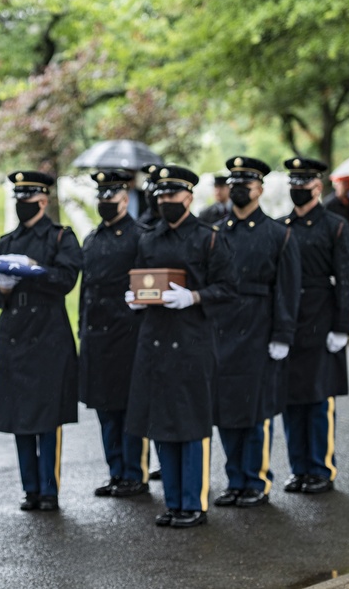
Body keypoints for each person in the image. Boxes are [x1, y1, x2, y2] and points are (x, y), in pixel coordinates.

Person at [124, 164, 235, 528]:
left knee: (190, 426)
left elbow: (229, 289)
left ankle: (194, 503)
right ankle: (173, 502)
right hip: (154, 341)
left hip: (191, 342)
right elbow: (142, 278)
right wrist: (137, 298)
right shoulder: (150, 239)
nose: (165, 201)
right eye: (160, 195)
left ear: (188, 196)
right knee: (161, 425)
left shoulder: (209, 238)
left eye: (171, 194)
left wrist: (195, 296)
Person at [0, 170, 82, 512]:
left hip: (47, 334)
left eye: (28, 198)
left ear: (43, 200)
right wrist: (2, 288)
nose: (21, 205)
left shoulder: (60, 237)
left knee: (47, 418)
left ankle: (49, 490)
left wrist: (33, 269)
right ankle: (30, 489)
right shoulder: (6, 242)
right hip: (13, 333)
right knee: (20, 419)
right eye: (18, 199)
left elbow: (67, 279)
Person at [212, 156, 300, 509]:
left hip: (259, 328)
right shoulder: (217, 233)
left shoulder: (279, 234)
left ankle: (256, 479)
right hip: (222, 330)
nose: (238, 189)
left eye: (245, 183)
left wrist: (283, 334)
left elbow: (288, 289)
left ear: (260, 189)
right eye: (233, 182)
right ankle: (235, 479)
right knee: (225, 410)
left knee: (254, 411)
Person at [278, 158, 349, 495]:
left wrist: (342, 326)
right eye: (293, 183)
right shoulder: (282, 226)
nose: (298, 189)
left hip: (321, 320)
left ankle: (321, 468)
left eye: (304, 184)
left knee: (318, 399)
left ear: (318, 187)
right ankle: (299, 468)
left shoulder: (335, 226)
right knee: (291, 401)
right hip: (289, 322)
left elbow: (348, 278)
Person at [79, 169, 148, 498]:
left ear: (125, 198)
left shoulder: (140, 236)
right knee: (106, 411)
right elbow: (86, 291)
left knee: (129, 410)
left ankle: (134, 472)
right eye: (102, 196)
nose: (106, 201)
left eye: (112, 196)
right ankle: (116, 471)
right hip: (98, 337)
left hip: (128, 335)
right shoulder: (92, 238)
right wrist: (82, 330)